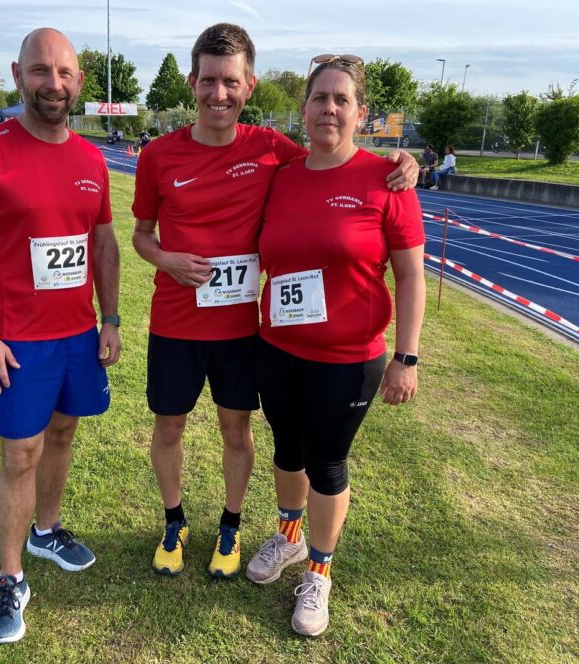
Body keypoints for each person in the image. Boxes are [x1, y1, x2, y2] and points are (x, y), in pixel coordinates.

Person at [131, 23, 419, 581]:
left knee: (238, 432)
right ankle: (174, 522)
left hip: (243, 330)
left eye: (231, 81)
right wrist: (165, 259)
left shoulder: (270, 150)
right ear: (192, 83)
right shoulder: (159, 155)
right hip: (179, 323)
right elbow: (142, 233)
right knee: (170, 430)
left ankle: (234, 527)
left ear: (250, 85)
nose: (220, 93)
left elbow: (336, 151)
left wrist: (398, 161)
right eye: (209, 80)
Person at [0, 27, 121, 645]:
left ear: (77, 81)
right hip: (15, 341)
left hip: (77, 337)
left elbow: (101, 243)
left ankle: (46, 532)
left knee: (65, 433)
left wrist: (111, 318)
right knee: (20, 452)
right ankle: (10, 576)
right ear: (18, 75)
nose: (55, 83)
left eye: (65, 72)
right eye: (41, 71)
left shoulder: (90, 158)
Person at [245, 55, 426, 636]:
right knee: (286, 449)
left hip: (349, 358)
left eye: (341, 99)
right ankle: (290, 540)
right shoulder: (284, 171)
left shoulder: (387, 179)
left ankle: (319, 572)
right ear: (303, 110)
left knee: (326, 460)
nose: (329, 108)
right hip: (277, 345)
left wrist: (407, 356)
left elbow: (411, 276)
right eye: (319, 98)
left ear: (360, 112)